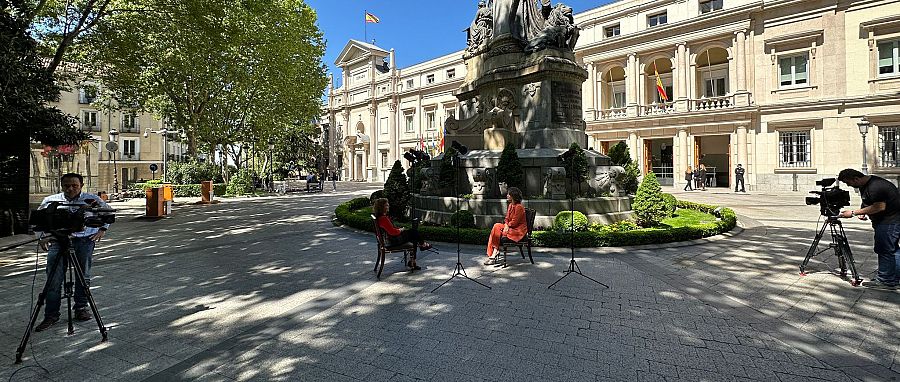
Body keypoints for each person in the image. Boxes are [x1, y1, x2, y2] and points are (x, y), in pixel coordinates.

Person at [34, 173, 112, 331]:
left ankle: (81, 309)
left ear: (81, 185)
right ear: (61, 186)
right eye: (66, 186)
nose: (70, 189)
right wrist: (42, 237)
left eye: (74, 185)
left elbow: (108, 214)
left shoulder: (92, 200)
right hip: (58, 241)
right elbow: (38, 221)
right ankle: (51, 315)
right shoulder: (50, 201)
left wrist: (102, 230)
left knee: (83, 276)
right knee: (53, 279)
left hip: (84, 241)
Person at [837, 169, 900, 289]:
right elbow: (868, 201)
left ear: (856, 179)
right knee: (893, 250)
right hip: (888, 221)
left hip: (889, 222)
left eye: (848, 183)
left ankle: (886, 280)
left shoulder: (876, 186)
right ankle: (893, 278)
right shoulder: (865, 184)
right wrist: (863, 210)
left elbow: (879, 206)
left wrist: (854, 213)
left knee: (885, 250)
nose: (848, 185)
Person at [373, 198, 432, 270]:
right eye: (386, 205)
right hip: (391, 241)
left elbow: (390, 230)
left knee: (413, 236)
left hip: (387, 240)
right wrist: (400, 230)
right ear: (381, 207)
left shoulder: (379, 217)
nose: (388, 206)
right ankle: (422, 245)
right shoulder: (383, 219)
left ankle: (413, 260)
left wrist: (399, 230)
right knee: (414, 232)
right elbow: (392, 232)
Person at [485, 187, 527, 265]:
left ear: (513, 196)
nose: (507, 195)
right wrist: (506, 225)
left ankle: (494, 252)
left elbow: (515, 222)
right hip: (511, 227)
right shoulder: (511, 205)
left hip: (518, 230)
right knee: (496, 226)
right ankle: (495, 251)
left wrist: (507, 225)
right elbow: (507, 218)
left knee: (497, 228)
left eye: (508, 194)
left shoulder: (519, 207)